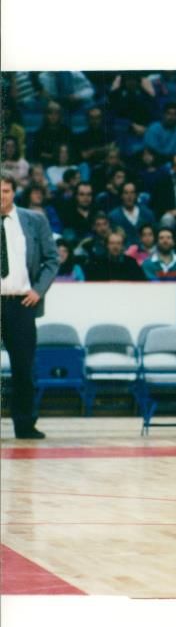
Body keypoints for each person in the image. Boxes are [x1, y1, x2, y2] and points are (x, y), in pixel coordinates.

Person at [0, 171, 60, 438]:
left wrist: (38, 290)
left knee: (23, 368)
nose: (1, 196)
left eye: (5, 191)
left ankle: (24, 425)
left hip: (21, 304)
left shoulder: (34, 220)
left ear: (14, 192)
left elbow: (51, 260)